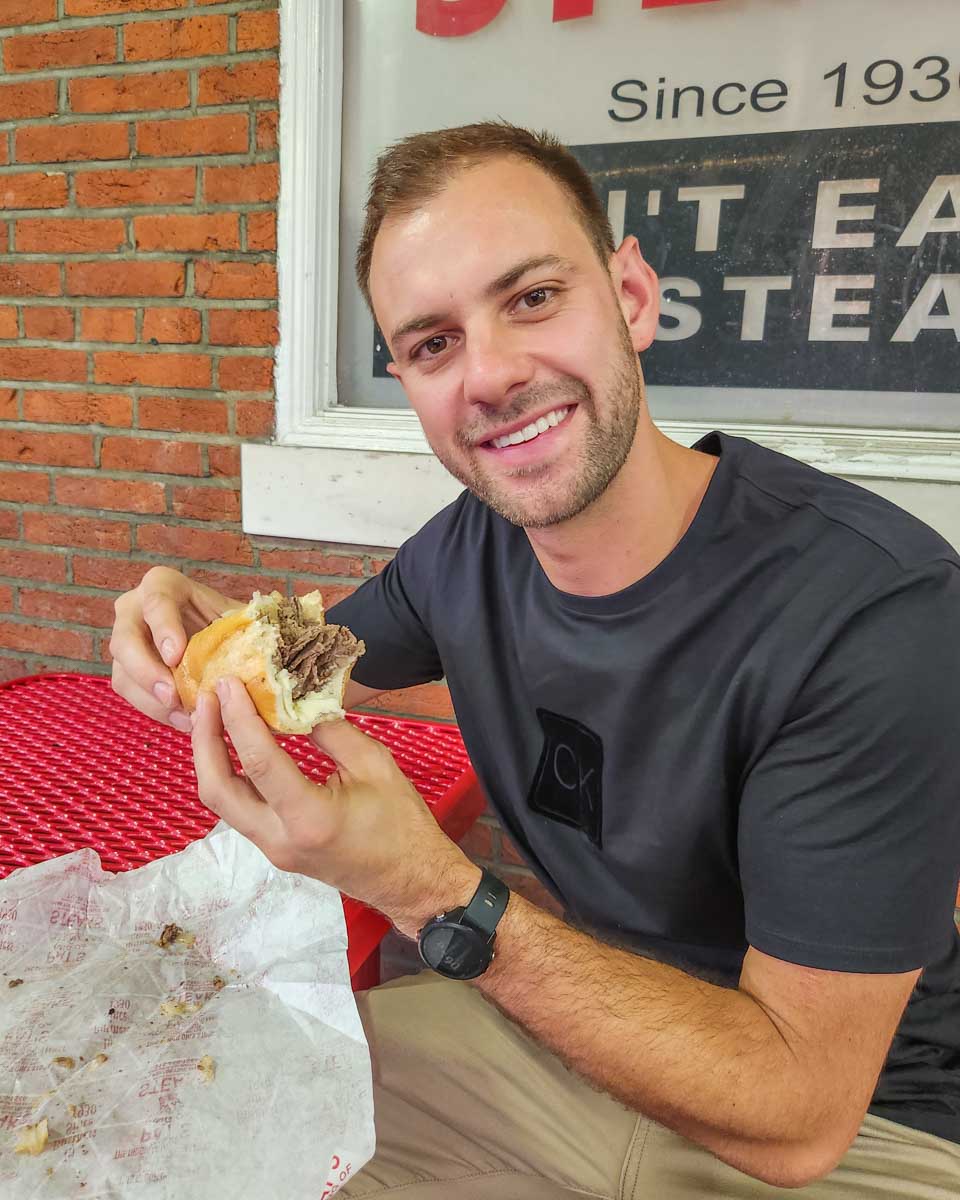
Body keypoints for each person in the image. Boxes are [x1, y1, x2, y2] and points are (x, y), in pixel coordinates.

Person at [109, 123, 960, 1198]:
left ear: (632, 298)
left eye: (533, 298)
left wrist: (428, 890)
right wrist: (193, 622)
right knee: (191, 1108)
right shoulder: (467, 550)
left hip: (865, 1125)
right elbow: (311, 667)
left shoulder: (872, 610)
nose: (493, 375)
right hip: (572, 1036)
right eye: (433, 345)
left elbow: (797, 1120)